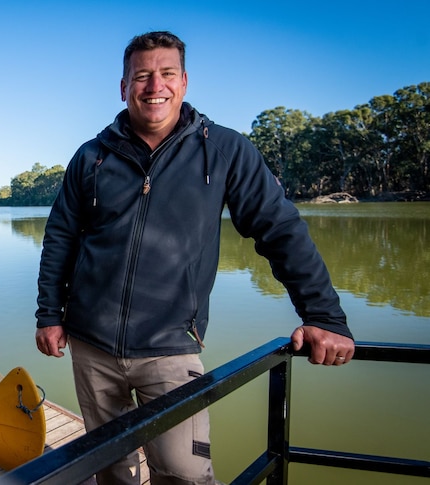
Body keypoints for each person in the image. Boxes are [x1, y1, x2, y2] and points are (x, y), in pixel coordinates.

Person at [35, 31, 355, 485]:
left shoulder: (225, 151)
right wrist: (50, 313)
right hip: (90, 345)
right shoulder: (92, 157)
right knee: (108, 469)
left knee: (185, 474)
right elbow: (61, 237)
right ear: (123, 86)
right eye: (141, 76)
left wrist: (323, 315)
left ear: (184, 82)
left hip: (170, 346)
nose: (154, 86)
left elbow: (279, 230)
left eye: (166, 74)